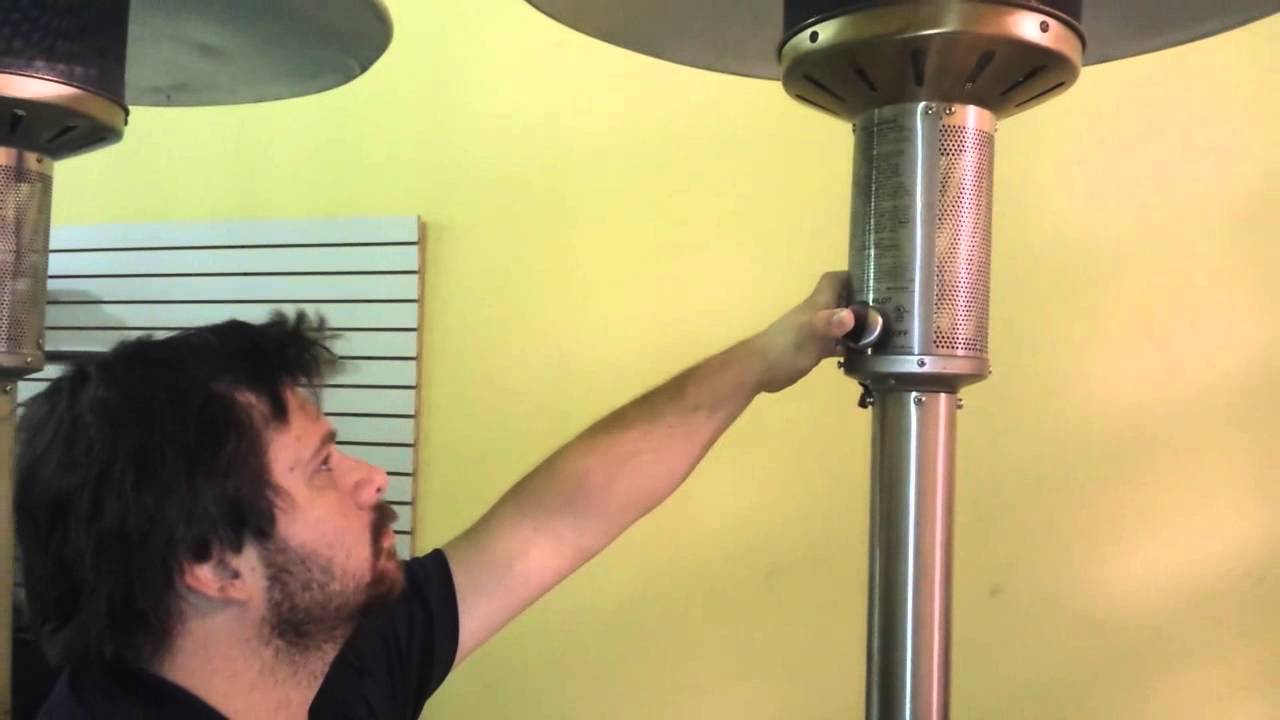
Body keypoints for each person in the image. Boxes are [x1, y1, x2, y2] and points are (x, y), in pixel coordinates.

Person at [15, 272, 856, 719]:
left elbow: (558, 521)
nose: (370, 478)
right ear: (212, 562)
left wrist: (764, 358)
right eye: (321, 467)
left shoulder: (325, 658)